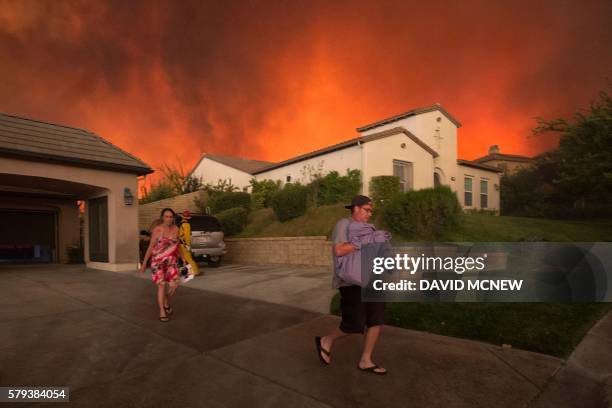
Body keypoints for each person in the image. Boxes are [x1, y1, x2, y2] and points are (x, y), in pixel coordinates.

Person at [315, 195, 387, 375]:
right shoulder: (343, 224)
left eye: (371, 211)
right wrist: (365, 241)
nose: (370, 214)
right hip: (350, 282)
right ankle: (326, 340)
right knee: (354, 323)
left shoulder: (369, 228)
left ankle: (366, 360)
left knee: (376, 320)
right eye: (367, 210)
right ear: (355, 208)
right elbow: (339, 250)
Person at [139, 208, 186, 322]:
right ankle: (162, 310)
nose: (169, 219)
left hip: (171, 261)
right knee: (162, 286)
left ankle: (167, 301)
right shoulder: (158, 229)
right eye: (166, 216)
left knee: (175, 285)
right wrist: (144, 263)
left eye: (170, 217)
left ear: (173, 218)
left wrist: (183, 258)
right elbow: (151, 247)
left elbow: (177, 245)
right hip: (158, 262)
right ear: (162, 217)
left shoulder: (176, 229)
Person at [177, 210, 200, 276]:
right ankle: (195, 272)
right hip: (184, 244)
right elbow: (187, 236)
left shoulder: (181, 223)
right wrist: (188, 245)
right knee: (188, 258)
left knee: (185, 259)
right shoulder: (186, 224)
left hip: (181, 243)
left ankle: (192, 272)